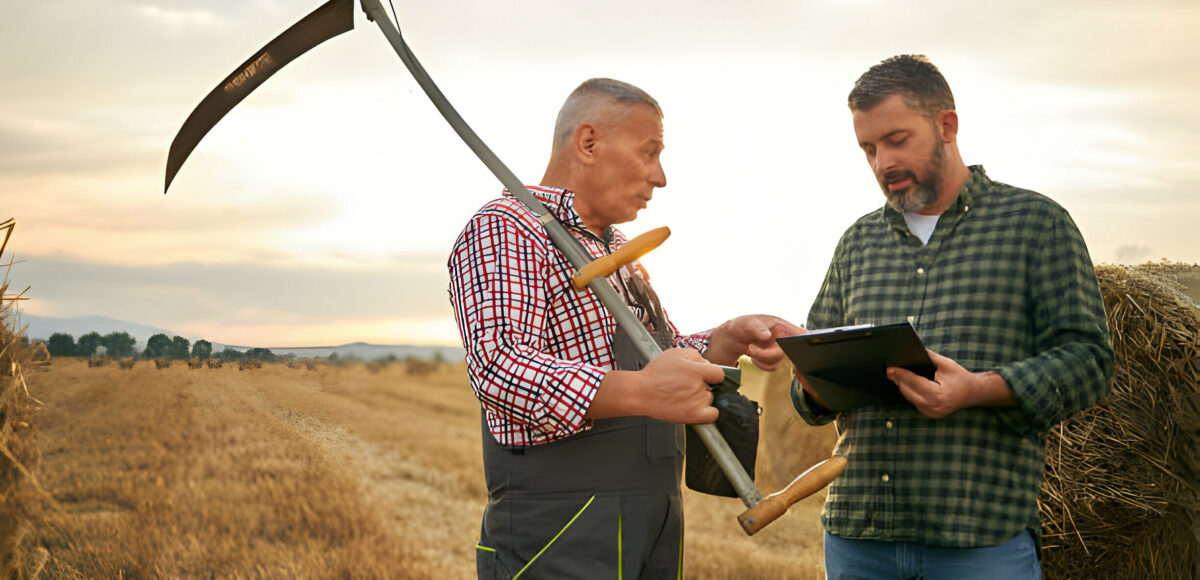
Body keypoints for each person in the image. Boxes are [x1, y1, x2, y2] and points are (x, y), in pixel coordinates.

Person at [448, 78, 798, 579]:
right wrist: (639, 392)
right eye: (649, 152)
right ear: (589, 143)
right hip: (561, 528)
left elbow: (658, 354)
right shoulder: (507, 227)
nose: (661, 177)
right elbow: (499, 365)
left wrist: (726, 339)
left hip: (653, 517)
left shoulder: (613, 247)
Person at [791, 55, 1114, 579]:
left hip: (978, 539)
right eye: (868, 149)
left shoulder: (1036, 225)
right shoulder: (857, 243)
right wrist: (813, 382)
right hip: (859, 538)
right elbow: (808, 395)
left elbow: (1089, 361)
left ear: (947, 125)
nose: (881, 163)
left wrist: (977, 389)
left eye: (896, 140)